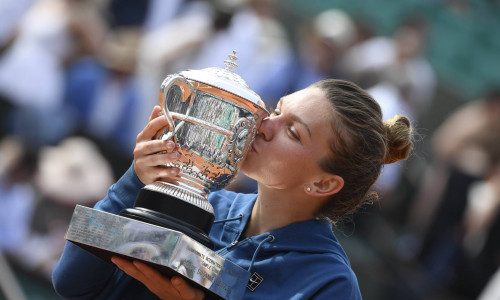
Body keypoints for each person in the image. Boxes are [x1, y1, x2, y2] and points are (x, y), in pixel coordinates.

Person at [52, 79, 414, 299]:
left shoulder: (330, 284)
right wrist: (135, 181)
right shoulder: (202, 201)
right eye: (275, 110)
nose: (263, 124)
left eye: (292, 131)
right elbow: (72, 283)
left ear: (323, 183)